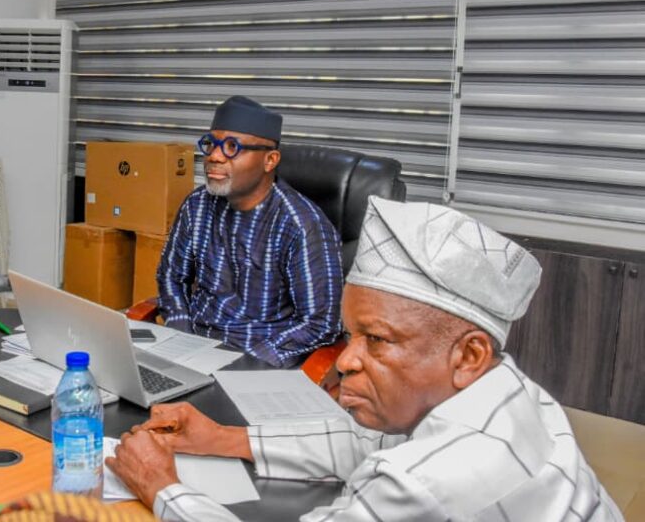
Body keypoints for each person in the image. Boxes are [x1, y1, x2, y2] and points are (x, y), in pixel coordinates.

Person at [108, 197, 623, 521]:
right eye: (351, 334)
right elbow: (369, 442)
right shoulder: (499, 388)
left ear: (468, 353)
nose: (347, 360)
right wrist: (223, 438)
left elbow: (401, 471)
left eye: (377, 340)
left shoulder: (433, 478)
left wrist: (162, 488)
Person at [157, 95, 343, 367]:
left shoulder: (301, 225)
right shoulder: (197, 205)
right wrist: (179, 328)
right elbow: (171, 276)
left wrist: (250, 362)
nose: (214, 157)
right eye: (211, 144)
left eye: (232, 147)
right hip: (195, 347)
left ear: (270, 160)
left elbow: (321, 323)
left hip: (259, 362)